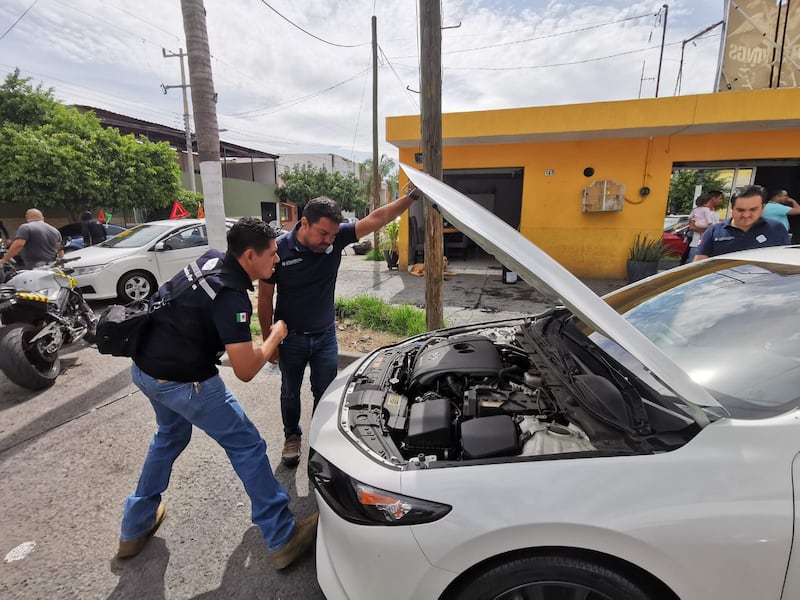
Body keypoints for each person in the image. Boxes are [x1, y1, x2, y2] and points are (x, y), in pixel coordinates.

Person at [118, 217, 318, 570]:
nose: (277, 260)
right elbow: (245, 369)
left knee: (169, 435)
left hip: (145, 368)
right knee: (248, 445)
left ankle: (135, 527)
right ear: (249, 256)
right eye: (271, 254)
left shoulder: (211, 258)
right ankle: (283, 536)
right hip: (185, 382)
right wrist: (276, 334)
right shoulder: (230, 296)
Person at [258, 187, 423, 467]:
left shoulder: (338, 236)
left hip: (324, 337)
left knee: (325, 394)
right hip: (291, 338)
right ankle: (292, 437)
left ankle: (320, 444)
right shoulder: (279, 249)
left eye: (334, 235)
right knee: (289, 391)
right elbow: (264, 300)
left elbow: (378, 217)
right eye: (323, 234)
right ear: (305, 223)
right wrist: (268, 341)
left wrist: (413, 197)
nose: (329, 241)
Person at [694, 185, 790, 261]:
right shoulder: (714, 231)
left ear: (762, 208)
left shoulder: (777, 229)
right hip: (723, 284)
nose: (746, 215)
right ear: (732, 208)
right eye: (740, 210)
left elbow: (784, 263)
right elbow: (699, 265)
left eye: (753, 210)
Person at [685, 190, 723, 263]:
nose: (721, 201)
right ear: (712, 199)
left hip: (711, 247)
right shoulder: (698, 211)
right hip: (697, 246)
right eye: (720, 198)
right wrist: (708, 231)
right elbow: (691, 227)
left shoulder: (715, 213)